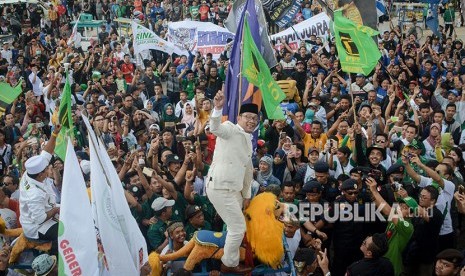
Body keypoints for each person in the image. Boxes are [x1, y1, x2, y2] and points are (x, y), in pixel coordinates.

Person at [205, 90, 256, 274]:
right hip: (220, 186)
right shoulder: (230, 129)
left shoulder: (249, 140)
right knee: (238, 226)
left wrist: (246, 195)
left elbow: (247, 171)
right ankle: (228, 265)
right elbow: (215, 128)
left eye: (254, 119)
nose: (251, 121)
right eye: (248, 117)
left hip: (234, 190)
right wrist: (217, 109)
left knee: (235, 226)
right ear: (239, 117)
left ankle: (231, 259)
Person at [19, 125, 61, 255]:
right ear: (41, 174)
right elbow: (40, 218)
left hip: (49, 209)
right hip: (37, 227)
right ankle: (58, 259)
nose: (49, 169)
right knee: (66, 230)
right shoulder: (34, 194)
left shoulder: (30, 172)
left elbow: (47, 152)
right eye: (47, 169)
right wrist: (55, 210)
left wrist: (54, 133)